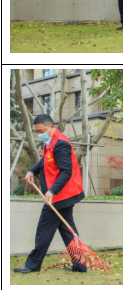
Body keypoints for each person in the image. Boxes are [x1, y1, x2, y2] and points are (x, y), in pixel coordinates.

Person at [13, 114, 87, 273]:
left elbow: (66, 172)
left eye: (42, 130)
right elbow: (45, 161)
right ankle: (80, 264)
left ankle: (32, 265)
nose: (40, 133)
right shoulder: (51, 142)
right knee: (67, 229)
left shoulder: (60, 144)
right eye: (37, 131)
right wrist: (32, 170)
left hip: (60, 195)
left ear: (52, 127)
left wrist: (52, 191)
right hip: (62, 195)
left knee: (44, 228)